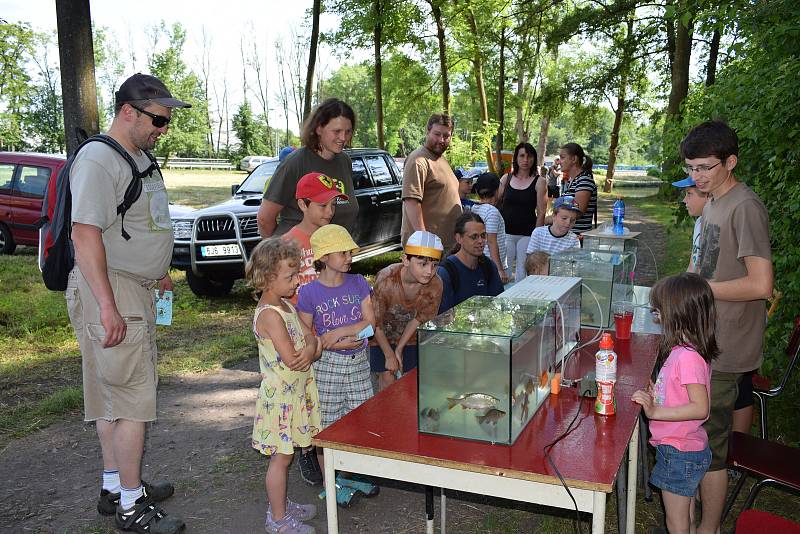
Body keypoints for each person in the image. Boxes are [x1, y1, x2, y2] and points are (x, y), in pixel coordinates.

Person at [66, 73, 187, 533]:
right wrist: (107, 305)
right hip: (111, 289)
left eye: (167, 119)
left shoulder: (137, 157)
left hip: (132, 287)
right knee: (134, 399)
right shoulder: (100, 159)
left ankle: (115, 485)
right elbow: (84, 233)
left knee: (112, 396)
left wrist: (159, 272)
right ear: (128, 112)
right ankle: (132, 507)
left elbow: (137, 223)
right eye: (158, 118)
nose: (163, 127)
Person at [684, 120, 773, 534]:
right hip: (705, 336)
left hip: (728, 345)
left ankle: (709, 528)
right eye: (691, 168)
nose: (696, 177)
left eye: (705, 167)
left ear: (730, 161)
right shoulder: (713, 202)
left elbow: (760, 284)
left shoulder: (745, 206)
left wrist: (704, 289)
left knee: (710, 444)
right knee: (700, 437)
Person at [296, 225, 378, 501]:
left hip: (357, 364)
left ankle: (352, 475)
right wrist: (326, 342)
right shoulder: (309, 293)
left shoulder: (358, 283)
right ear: (324, 256)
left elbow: (370, 325)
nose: (349, 257)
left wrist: (334, 334)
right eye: (342, 252)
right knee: (328, 424)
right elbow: (307, 335)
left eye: (349, 252)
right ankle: (332, 483)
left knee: (359, 418)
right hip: (327, 366)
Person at [245, 238, 322, 534]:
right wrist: (310, 348)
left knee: (286, 455)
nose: (297, 281)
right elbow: (295, 359)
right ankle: (277, 520)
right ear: (267, 278)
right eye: (290, 277)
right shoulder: (269, 315)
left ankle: (281, 506)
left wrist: (311, 346)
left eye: (296, 274)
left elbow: (312, 340)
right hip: (280, 401)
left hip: (295, 395)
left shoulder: (287, 306)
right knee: (282, 458)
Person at [632, 272, 717, 534]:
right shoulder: (688, 351)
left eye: (659, 312)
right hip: (687, 447)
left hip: (679, 452)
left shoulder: (687, 357)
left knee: (676, 523)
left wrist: (656, 410)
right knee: (687, 517)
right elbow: (681, 393)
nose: (656, 317)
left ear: (678, 314)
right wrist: (656, 392)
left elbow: (700, 407)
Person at [281, 171, 348, 487]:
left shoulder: (336, 238)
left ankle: (331, 446)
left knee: (328, 397)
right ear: (302, 204)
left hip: (331, 331)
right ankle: (307, 449)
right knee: (304, 395)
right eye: (321, 205)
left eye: (333, 204)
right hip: (301, 333)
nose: (329, 212)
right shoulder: (289, 245)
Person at [258, 98, 358, 238]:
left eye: (348, 131)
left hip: (332, 255)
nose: (343, 137)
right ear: (318, 129)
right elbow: (264, 219)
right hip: (297, 255)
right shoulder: (296, 162)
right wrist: (279, 252)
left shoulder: (345, 161)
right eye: (336, 131)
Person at [370, 231, 444, 391]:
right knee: (388, 378)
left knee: (411, 383)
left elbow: (418, 319)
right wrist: (390, 355)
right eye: (422, 264)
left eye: (434, 265)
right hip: (380, 336)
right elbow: (375, 323)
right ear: (405, 260)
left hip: (410, 336)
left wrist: (400, 348)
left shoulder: (436, 285)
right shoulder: (386, 280)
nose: (429, 271)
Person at [401, 113, 462, 253]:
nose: (441, 140)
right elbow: (411, 202)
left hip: (447, 246)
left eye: (446, 136)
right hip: (428, 249)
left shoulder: (440, 159)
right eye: (437, 134)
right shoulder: (418, 160)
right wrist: (424, 242)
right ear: (427, 132)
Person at [498, 142, 546, 282]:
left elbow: (542, 212)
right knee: (503, 272)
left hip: (527, 234)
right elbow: (494, 202)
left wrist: (536, 237)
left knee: (522, 273)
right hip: (506, 232)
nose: (525, 160)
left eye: (529, 156)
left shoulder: (539, 181)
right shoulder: (506, 179)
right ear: (516, 158)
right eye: (522, 156)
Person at [437, 212, 504, 313]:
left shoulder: (488, 266)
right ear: (459, 238)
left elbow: (498, 305)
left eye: (483, 235)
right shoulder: (446, 272)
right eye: (474, 237)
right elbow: (443, 316)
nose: (481, 241)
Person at [470, 173, 509, 283]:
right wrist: (499, 269)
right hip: (491, 265)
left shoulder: (475, 208)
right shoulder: (492, 212)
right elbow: (491, 241)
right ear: (497, 190)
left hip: (480, 261)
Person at [672, 176, 708, 273]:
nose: (684, 200)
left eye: (689, 194)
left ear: (708, 195)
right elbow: (692, 267)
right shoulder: (699, 222)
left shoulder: (718, 226)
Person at [559, 142, 597, 235]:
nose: (559, 161)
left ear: (574, 159)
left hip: (577, 238)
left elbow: (578, 209)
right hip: (568, 237)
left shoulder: (584, 180)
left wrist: (552, 218)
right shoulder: (572, 181)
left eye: (562, 157)